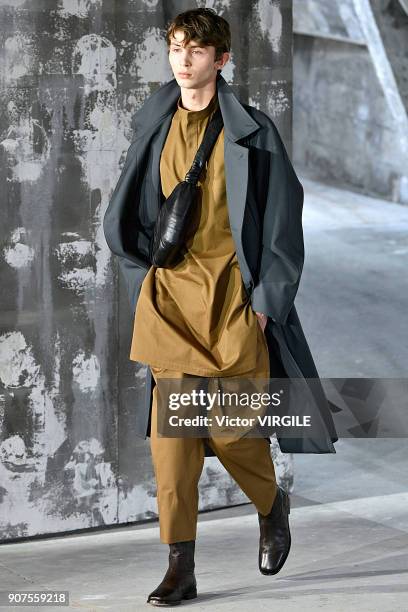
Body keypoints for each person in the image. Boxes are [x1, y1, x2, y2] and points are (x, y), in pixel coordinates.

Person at [103, 7, 337, 607]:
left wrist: (267, 302)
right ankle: (181, 567)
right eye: (176, 47)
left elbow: (284, 226)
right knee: (173, 443)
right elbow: (132, 208)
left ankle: (271, 502)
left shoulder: (253, 132)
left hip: (234, 301)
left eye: (196, 50)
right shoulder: (153, 121)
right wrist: (142, 276)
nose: (183, 60)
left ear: (221, 59)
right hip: (171, 302)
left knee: (235, 435)